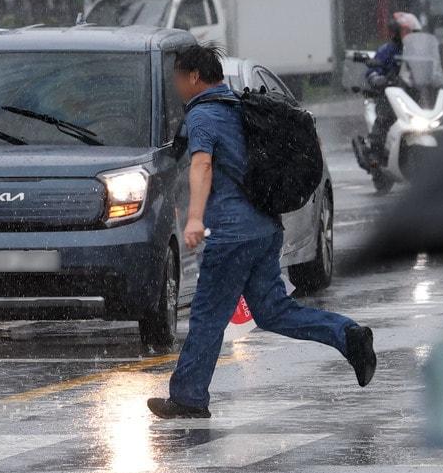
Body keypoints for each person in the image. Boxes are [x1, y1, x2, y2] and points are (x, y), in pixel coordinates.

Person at [147, 43, 377, 420]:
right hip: (265, 228)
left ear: (193, 77)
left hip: (232, 234)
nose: (177, 86)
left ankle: (188, 396)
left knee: (207, 314)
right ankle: (348, 335)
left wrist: (194, 218)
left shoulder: (204, 114)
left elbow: (202, 166)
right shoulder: (240, 107)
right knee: (273, 311)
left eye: (178, 78)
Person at [364, 12, 423, 165]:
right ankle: (375, 152)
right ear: (397, 33)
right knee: (385, 117)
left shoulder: (420, 52)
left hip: (415, 94)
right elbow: (372, 69)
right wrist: (377, 78)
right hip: (392, 94)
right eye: (406, 32)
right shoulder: (388, 50)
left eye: (412, 33)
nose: (409, 36)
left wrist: (440, 80)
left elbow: (433, 68)